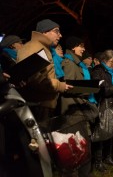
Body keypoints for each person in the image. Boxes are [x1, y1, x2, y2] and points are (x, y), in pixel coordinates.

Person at [16, 19, 73, 176]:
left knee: (42, 149)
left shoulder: (42, 47)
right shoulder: (36, 47)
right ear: (44, 32)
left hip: (42, 103)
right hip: (37, 104)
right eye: (56, 31)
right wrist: (61, 86)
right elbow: (36, 79)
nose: (60, 35)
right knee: (36, 149)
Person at [60, 36, 97, 177]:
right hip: (73, 110)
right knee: (77, 147)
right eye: (81, 46)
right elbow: (68, 87)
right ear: (73, 47)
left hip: (80, 109)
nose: (84, 49)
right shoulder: (69, 63)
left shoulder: (77, 63)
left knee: (84, 145)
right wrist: (89, 88)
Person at [91, 49, 113, 172]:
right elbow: (100, 89)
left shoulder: (112, 72)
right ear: (104, 60)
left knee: (111, 132)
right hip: (103, 105)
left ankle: (108, 157)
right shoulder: (98, 71)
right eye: (112, 61)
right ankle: (98, 161)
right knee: (102, 133)